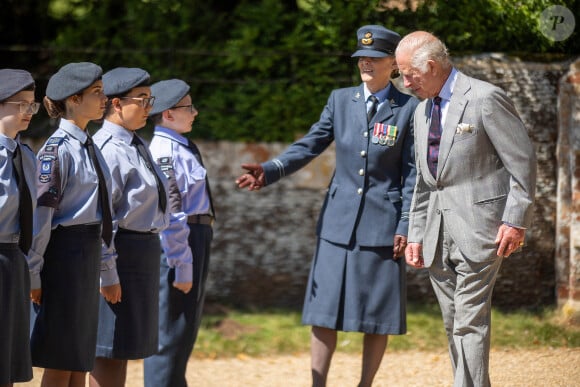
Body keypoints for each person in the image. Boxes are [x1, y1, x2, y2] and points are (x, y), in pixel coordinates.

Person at [236, 25, 419, 387]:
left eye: (374, 57)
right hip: (337, 225)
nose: (365, 63)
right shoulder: (340, 101)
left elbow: (413, 174)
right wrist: (270, 170)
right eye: (360, 58)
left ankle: (365, 385)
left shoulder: (410, 108)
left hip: (382, 228)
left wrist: (405, 225)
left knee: (377, 315)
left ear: (392, 65)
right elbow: (310, 144)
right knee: (323, 312)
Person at [396, 31, 536, 387]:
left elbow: (522, 164)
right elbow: (426, 181)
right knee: (452, 321)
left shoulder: (485, 98)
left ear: (430, 66)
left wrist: (515, 221)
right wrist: (415, 233)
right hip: (436, 236)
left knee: (468, 321)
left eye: (408, 74)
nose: (405, 82)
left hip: (482, 230)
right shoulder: (421, 111)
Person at [28, 62, 112, 387]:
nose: (104, 98)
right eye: (96, 92)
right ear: (73, 100)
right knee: (62, 358)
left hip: (86, 254)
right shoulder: (56, 151)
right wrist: (33, 273)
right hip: (64, 257)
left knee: (79, 358)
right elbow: (41, 217)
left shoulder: (89, 147)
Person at [89, 67, 169, 387]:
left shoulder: (135, 143)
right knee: (107, 351)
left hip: (141, 253)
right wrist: (107, 274)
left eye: (151, 100)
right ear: (117, 104)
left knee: (121, 349)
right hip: (121, 253)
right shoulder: (109, 147)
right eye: (142, 100)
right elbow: (102, 218)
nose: (149, 107)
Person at [144, 79, 215, 387]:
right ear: (169, 114)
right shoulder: (164, 152)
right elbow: (173, 215)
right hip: (182, 243)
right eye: (189, 108)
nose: (195, 113)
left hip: (195, 238)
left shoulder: (179, 146)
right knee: (170, 333)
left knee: (183, 332)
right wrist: (181, 265)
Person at [0, 69, 38, 387]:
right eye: (20, 104)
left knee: (9, 361)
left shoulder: (25, 155)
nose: (28, 111)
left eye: (32, 105)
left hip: (14, 258)